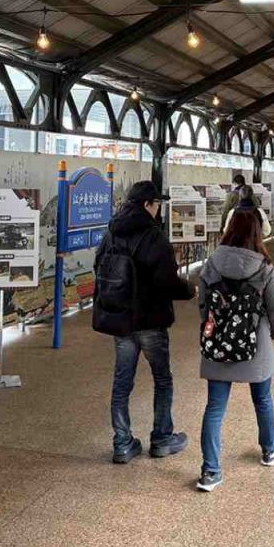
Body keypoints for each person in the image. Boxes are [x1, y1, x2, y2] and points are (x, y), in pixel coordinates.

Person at [94, 181, 196, 464]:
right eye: (157, 204)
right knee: (162, 379)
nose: (159, 209)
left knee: (122, 382)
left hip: (120, 320)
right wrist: (189, 289)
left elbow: (99, 266)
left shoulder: (112, 232)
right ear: (147, 204)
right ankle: (162, 439)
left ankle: (122, 443)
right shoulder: (154, 236)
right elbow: (167, 281)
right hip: (150, 320)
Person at [196, 208, 274, 492]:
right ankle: (269, 450)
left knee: (214, 408)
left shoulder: (211, 263)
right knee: (263, 399)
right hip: (255, 345)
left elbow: (203, 306)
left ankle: (210, 471)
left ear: (229, 228)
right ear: (257, 232)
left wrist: (217, 328)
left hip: (218, 345)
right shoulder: (263, 267)